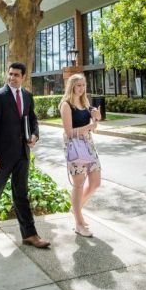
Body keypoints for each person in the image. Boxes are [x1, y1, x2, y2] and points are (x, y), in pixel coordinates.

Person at [0, 62, 51, 249]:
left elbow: (33, 120)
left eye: (16, 74)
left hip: (22, 153)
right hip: (3, 155)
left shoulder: (27, 96)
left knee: (21, 194)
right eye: (10, 74)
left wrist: (35, 135)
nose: (12, 77)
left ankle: (30, 234)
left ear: (23, 76)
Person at [58, 73, 102, 237]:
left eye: (83, 85)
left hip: (88, 145)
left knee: (95, 182)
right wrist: (89, 127)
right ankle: (78, 222)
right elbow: (69, 132)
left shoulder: (85, 102)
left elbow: (93, 125)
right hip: (75, 146)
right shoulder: (66, 105)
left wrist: (96, 118)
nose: (82, 89)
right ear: (71, 86)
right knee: (78, 184)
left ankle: (76, 210)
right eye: (78, 86)